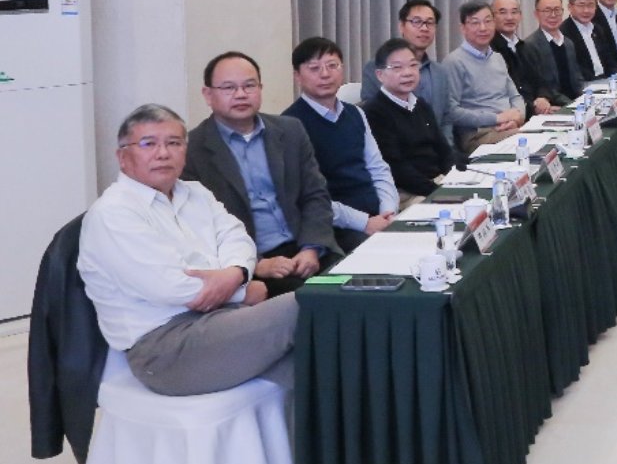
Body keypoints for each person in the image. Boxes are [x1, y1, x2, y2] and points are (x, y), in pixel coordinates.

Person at [79, 104, 298, 396]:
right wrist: (244, 291)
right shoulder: (113, 213)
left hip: (224, 321)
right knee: (305, 306)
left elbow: (238, 238)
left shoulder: (196, 193)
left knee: (317, 366)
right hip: (164, 348)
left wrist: (235, 273)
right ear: (122, 157)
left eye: (174, 143)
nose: (163, 153)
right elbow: (172, 287)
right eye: (148, 144)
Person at [183, 51, 335, 295]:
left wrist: (312, 248)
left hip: (306, 248)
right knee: (317, 302)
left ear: (260, 88)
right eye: (228, 88)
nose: (241, 94)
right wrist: (256, 263)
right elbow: (199, 226)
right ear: (208, 95)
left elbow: (315, 195)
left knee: (365, 286)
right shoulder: (192, 150)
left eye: (249, 86)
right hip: (255, 264)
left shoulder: (290, 130)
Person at [283, 37, 398, 251]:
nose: (325, 74)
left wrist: (388, 211)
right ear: (297, 76)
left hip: (377, 215)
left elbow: (378, 168)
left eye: (332, 65)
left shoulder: (355, 113)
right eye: (314, 68)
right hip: (336, 226)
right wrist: (364, 222)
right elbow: (307, 197)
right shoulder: (289, 126)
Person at [362, 37, 456, 198]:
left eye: (413, 65)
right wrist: (437, 192)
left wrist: (457, 178)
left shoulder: (421, 105)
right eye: (397, 67)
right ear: (380, 75)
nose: (408, 73)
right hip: (405, 192)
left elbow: (444, 150)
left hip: (436, 182)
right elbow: (396, 168)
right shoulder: (374, 112)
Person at [360, 0, 451, 142]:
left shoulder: (441, 72)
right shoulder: (377, 68)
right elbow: (372, 118)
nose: (424, 28)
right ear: (401, 26)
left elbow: (446, 119)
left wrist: (447, 148)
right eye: (416, 21)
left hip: (436, 149)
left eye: (430, 23)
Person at [443, 1, 527, 152]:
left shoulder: (497, 58)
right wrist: (497, 118)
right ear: (463, 28)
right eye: (475, 23)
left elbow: (515, 96)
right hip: (478, 135)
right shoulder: (454, 62)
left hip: (509, 128)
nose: (483, 28)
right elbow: (451, 111)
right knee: (534, 145)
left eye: (488, 21)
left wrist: (517, 117)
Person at [491, 0, 555, 117]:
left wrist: (543, 98)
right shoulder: (491, 50)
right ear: (492, 17)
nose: (509, 17)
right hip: (512, 116)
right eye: (503, 12)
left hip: (537, 113)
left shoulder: (525, 47)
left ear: (520, 16)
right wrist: (533, 108)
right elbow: (504, 94)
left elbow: (541, 81)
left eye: (514, 12)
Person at [520, 0, 581, 106]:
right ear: (536, 14)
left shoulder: (568, 43)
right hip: (554, 106)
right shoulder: (530, 45)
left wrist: (586, 99)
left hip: (576, 104)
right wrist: (573, 105)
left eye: (557, 10)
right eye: (547, 10)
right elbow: (545, 87)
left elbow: (577, 80)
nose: (553, 15)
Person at [564, 0, 617, 79]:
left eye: (591, 5)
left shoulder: (597, 29)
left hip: (605, 80)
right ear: (570, 7)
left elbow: (609, 61)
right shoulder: (565, 32)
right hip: (586, 83)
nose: (586, 10)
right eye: (581, 5)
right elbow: (573, 69)